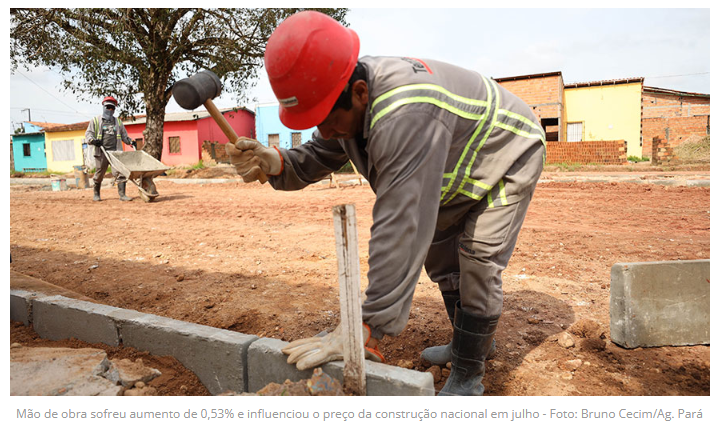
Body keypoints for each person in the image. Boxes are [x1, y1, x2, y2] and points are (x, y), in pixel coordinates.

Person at [228, 11, 545, 396]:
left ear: (360, 93)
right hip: (456, 160)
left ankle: (468, 374)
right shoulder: (346, 94)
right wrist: (277, 163)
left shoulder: (405, 113)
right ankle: (472, 343)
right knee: (444, 258)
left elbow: (402, 222)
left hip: (508, 151)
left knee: (477, 259)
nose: (324, 131)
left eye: (327, 119)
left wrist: (366, 324)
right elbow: (321, 151)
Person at [85, 96, 137, 201]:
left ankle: (122, 195)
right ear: (104, 107)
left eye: (112, 108)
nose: (110, 110)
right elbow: (88, 134)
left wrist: (130, 141)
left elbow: (124, 136)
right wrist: (93, 141)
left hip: (115, 152)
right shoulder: (95, 121)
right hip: (102, 152)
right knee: (99, 173)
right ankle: (96, 194)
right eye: (108, 107)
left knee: (120, 173)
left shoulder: (118, 122)